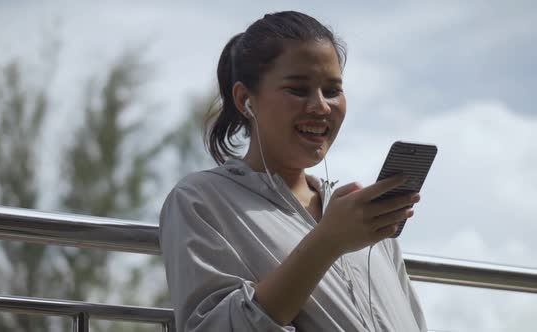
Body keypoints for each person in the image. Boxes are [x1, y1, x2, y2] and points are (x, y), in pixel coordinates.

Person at [159, 11, 427, 332]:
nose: (321, 106)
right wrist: (327, 241)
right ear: (246, 100)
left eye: (332, 91)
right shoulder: (200, 200)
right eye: (299, 90)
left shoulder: (361, 217)